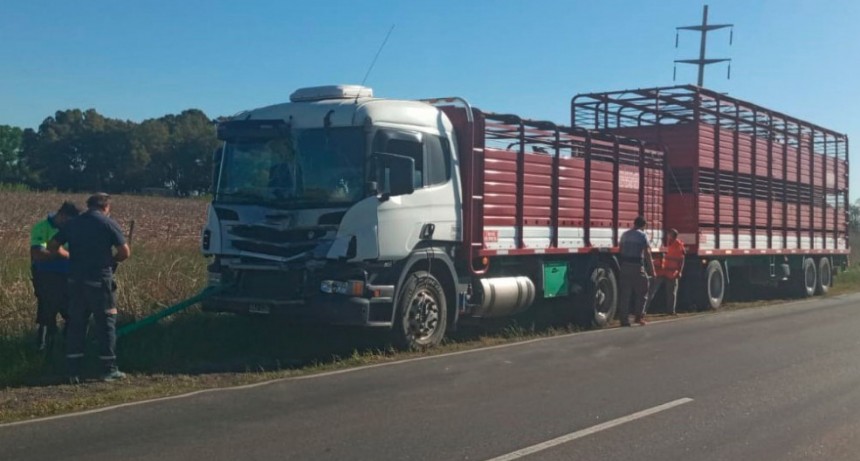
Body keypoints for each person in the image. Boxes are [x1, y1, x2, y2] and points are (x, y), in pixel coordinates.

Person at [49, 193, 131, 383]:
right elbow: (124, 252)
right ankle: (108, 368)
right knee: (106, 323)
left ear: (89, 205)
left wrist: (68, 255)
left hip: (76, 281)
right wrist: (112, 261)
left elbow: (53, 245)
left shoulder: (74, 223)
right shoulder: (108, 223)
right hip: (99, 281)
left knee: (77, 323)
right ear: (106, 207)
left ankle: (72, 370)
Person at [30, 201, 81, 351]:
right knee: (46, 313)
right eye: (70, 220)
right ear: (62, 215)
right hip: (46, 276)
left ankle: (67, 346)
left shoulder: (73, 229)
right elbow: (38, 254)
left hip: (69, 276)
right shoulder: (42, 227)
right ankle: (43, 347)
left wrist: (56, 252)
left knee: (72, 313)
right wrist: (64, 254)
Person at [617, 216, 655, 327]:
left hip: (625, 265)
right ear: (643, 225)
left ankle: (624, 319)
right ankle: (639, 317)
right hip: (637, 266)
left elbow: (620, 249)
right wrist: (652, 270)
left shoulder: (625, 234)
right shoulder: (642, 235)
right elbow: (647, 253)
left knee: (625, 293)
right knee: (643, 291)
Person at [646, 229, 686, 316]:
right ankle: (643, 310)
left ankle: (671, 311)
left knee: (671, 292)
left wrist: (680, 272)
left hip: (671, 272)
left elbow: (682, 260)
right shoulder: (663, 242)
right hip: (661, 270)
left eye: (670, 234)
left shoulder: (678, 245)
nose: (668, 236)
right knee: (651, 291)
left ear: (673, 236)